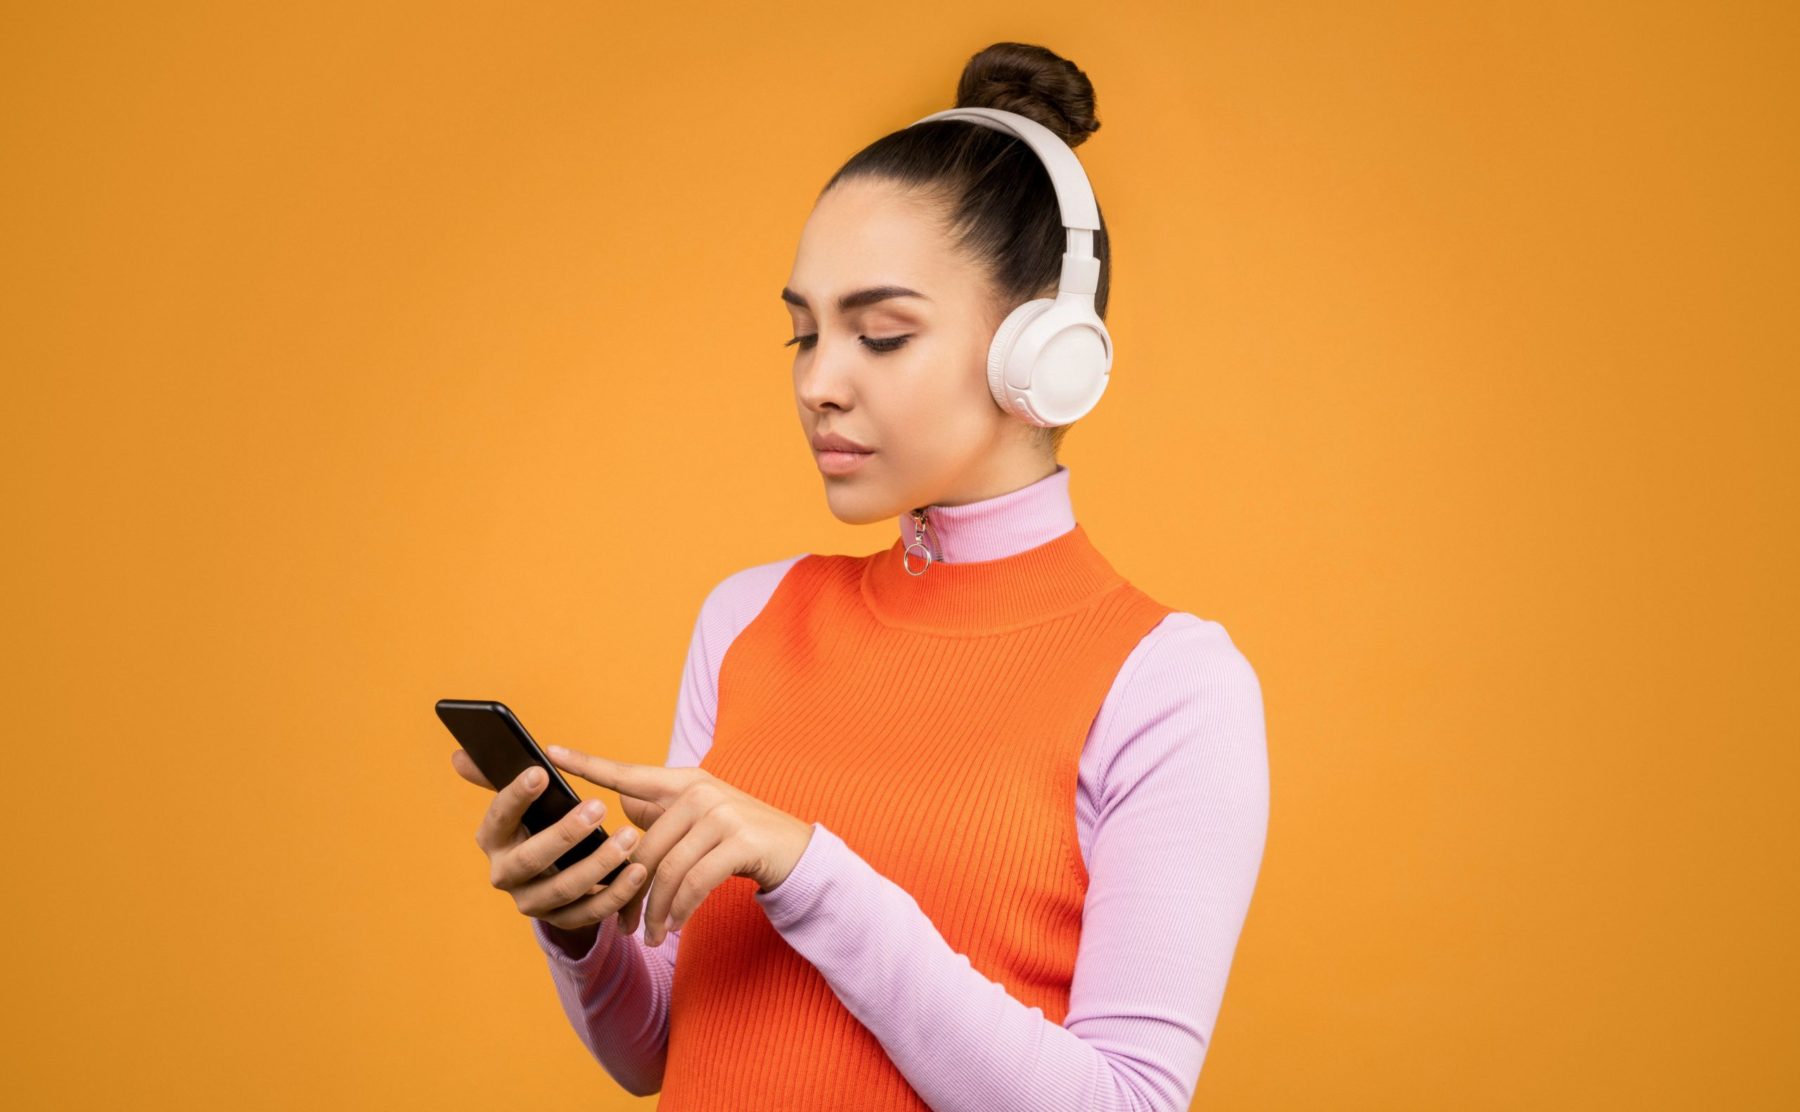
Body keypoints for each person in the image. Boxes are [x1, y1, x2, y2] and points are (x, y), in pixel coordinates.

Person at [451, 41, 1269, 1112]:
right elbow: (661, 1046)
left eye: (881, 335)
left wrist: (812, 872)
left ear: (1045, 351)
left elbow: (1125, 1103)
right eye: (802, 333)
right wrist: (578, 925)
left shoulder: (1170, 684)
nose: (819, 383)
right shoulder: (749, 617)